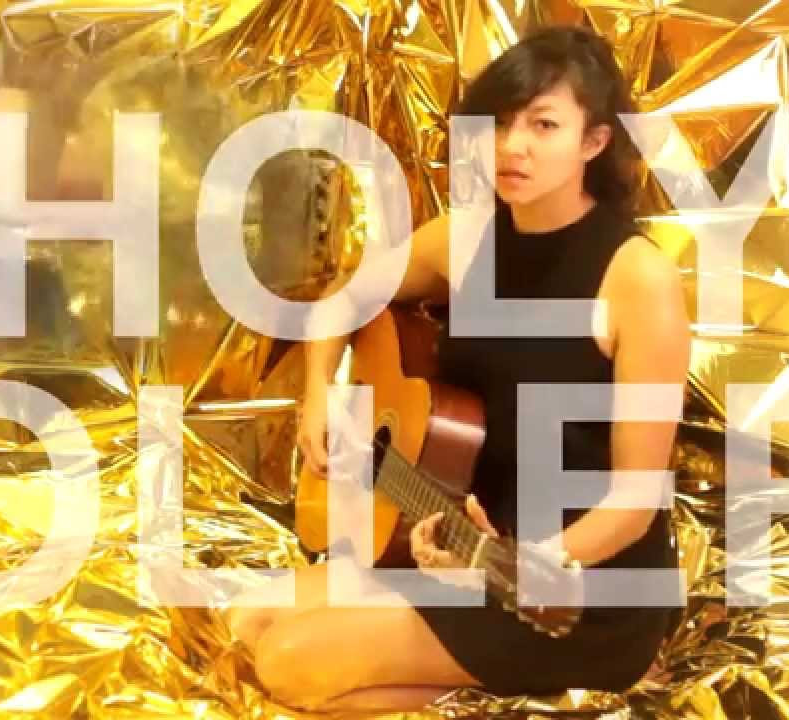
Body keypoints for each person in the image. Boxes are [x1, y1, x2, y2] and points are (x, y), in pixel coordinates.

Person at [224, 25, 692, 712]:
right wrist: (317, 394)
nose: (512, 145)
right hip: (465, 548)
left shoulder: (637, 278)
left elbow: (634, 502)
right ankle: (477, 677)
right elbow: (346, 297)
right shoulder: (465, 240)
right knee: (247, 619)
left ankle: (505, 686)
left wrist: (514, 566)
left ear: (594, 142)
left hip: (576, 591)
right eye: (500, 123)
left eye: (543, 125)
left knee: (289, 664)